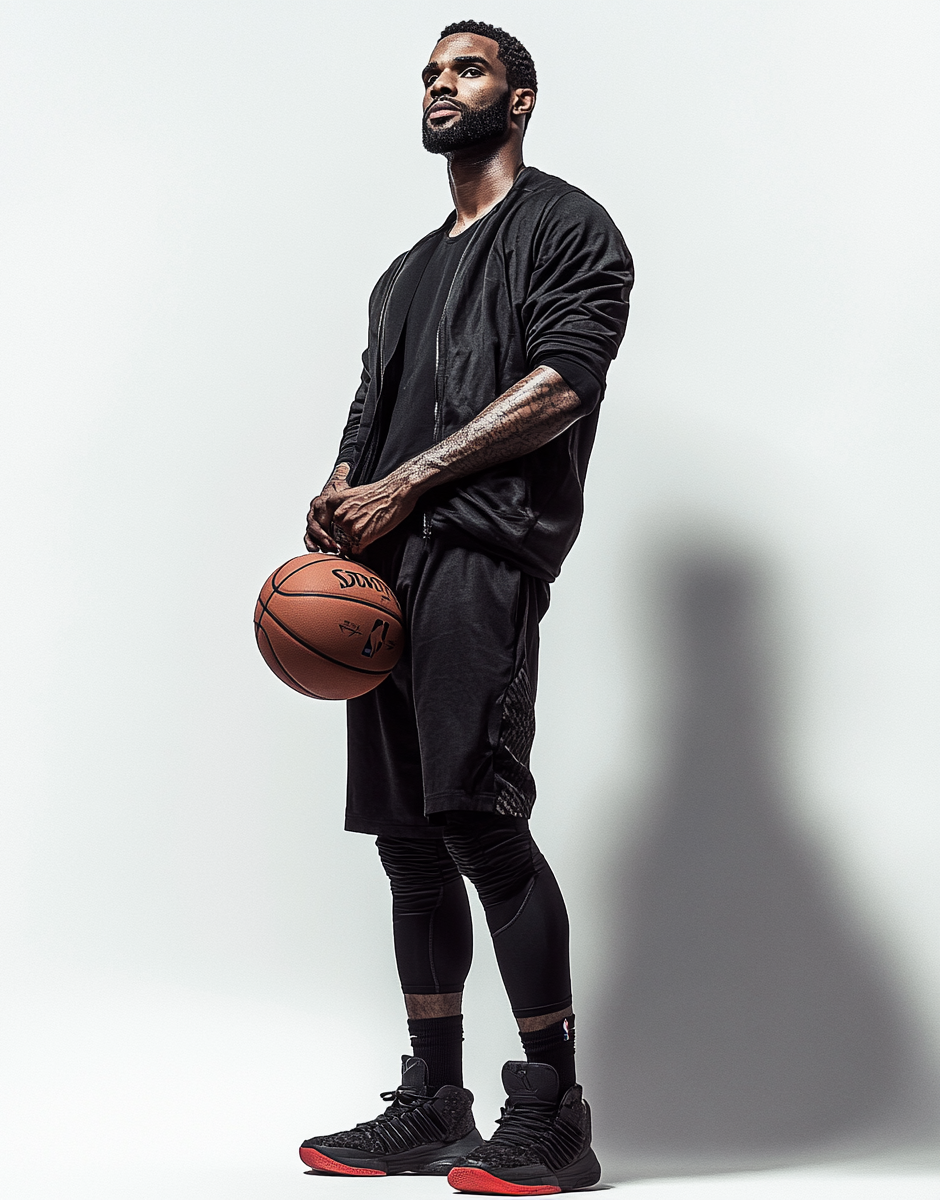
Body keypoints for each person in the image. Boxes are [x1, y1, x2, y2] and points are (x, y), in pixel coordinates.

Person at [300, 20, 632, 1194]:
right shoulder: (401, 273)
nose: (444, 86)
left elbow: (557, 387)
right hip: (379, 570)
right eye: (432, 74)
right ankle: (434, 1099)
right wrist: (342, 489)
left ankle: (554, 1111)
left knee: (480, 817)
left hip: (479, 554)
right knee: (408, 843)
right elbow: (367, 408)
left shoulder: (565, 225)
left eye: (469, 69)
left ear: (522, 97)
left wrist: (406, 483)